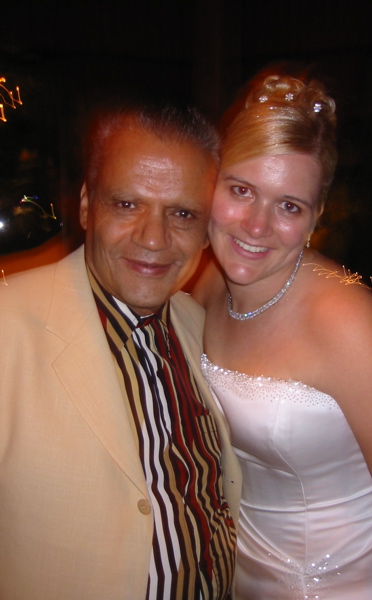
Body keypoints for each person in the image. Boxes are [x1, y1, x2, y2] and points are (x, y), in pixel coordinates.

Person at [193, 72, 372, 599]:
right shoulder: (207, 285)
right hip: (241, 576)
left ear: (316, 217)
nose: (256, 226)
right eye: (241, 190)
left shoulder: (351, 325)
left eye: (289, 205)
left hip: (351, 584)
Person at [0, 101, 242, 600]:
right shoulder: (8, 328)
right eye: (127, 204)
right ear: (87, 206)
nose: (153, 239)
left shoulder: (203, 327)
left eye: (182, 213)